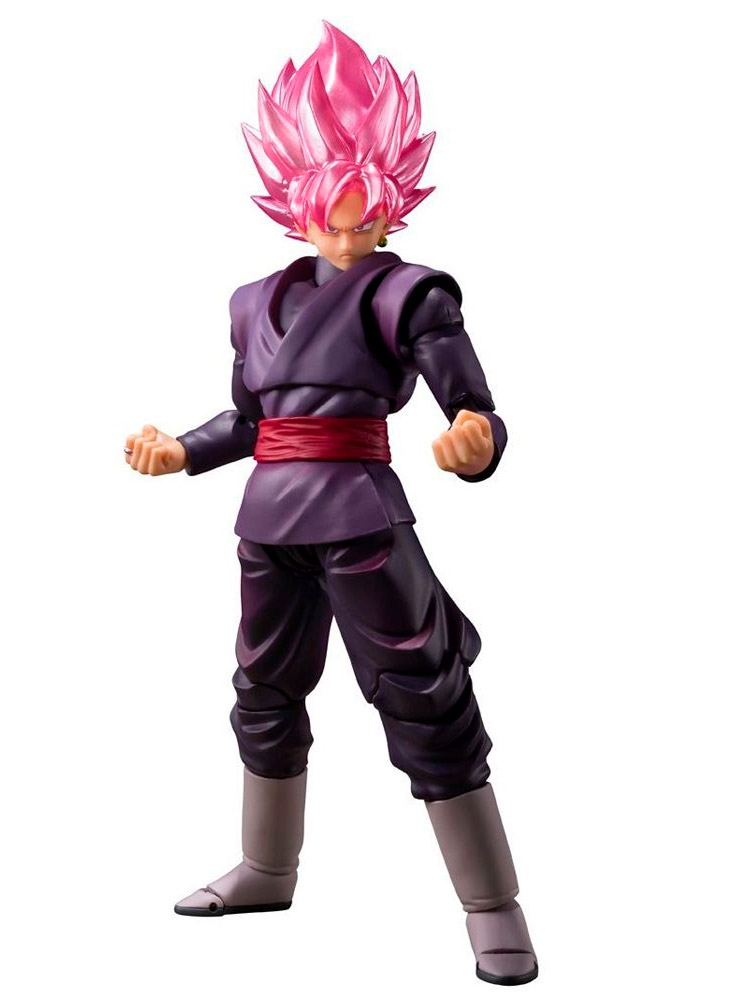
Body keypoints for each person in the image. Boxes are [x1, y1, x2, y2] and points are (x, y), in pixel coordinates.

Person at [124, 22, 537, 987]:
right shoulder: (252, 301)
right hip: (269, 522)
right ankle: (268, 869)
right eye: (330, 220)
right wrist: (180, 451)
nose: (348, 237)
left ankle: (493, 907)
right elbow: (249, 420)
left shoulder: (411, 295)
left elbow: (472, 406)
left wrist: (474, 441)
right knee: (263, 691)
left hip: (360, 517)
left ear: (392, 209)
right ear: (296, 206)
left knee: (425, 694)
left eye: (365, 221)